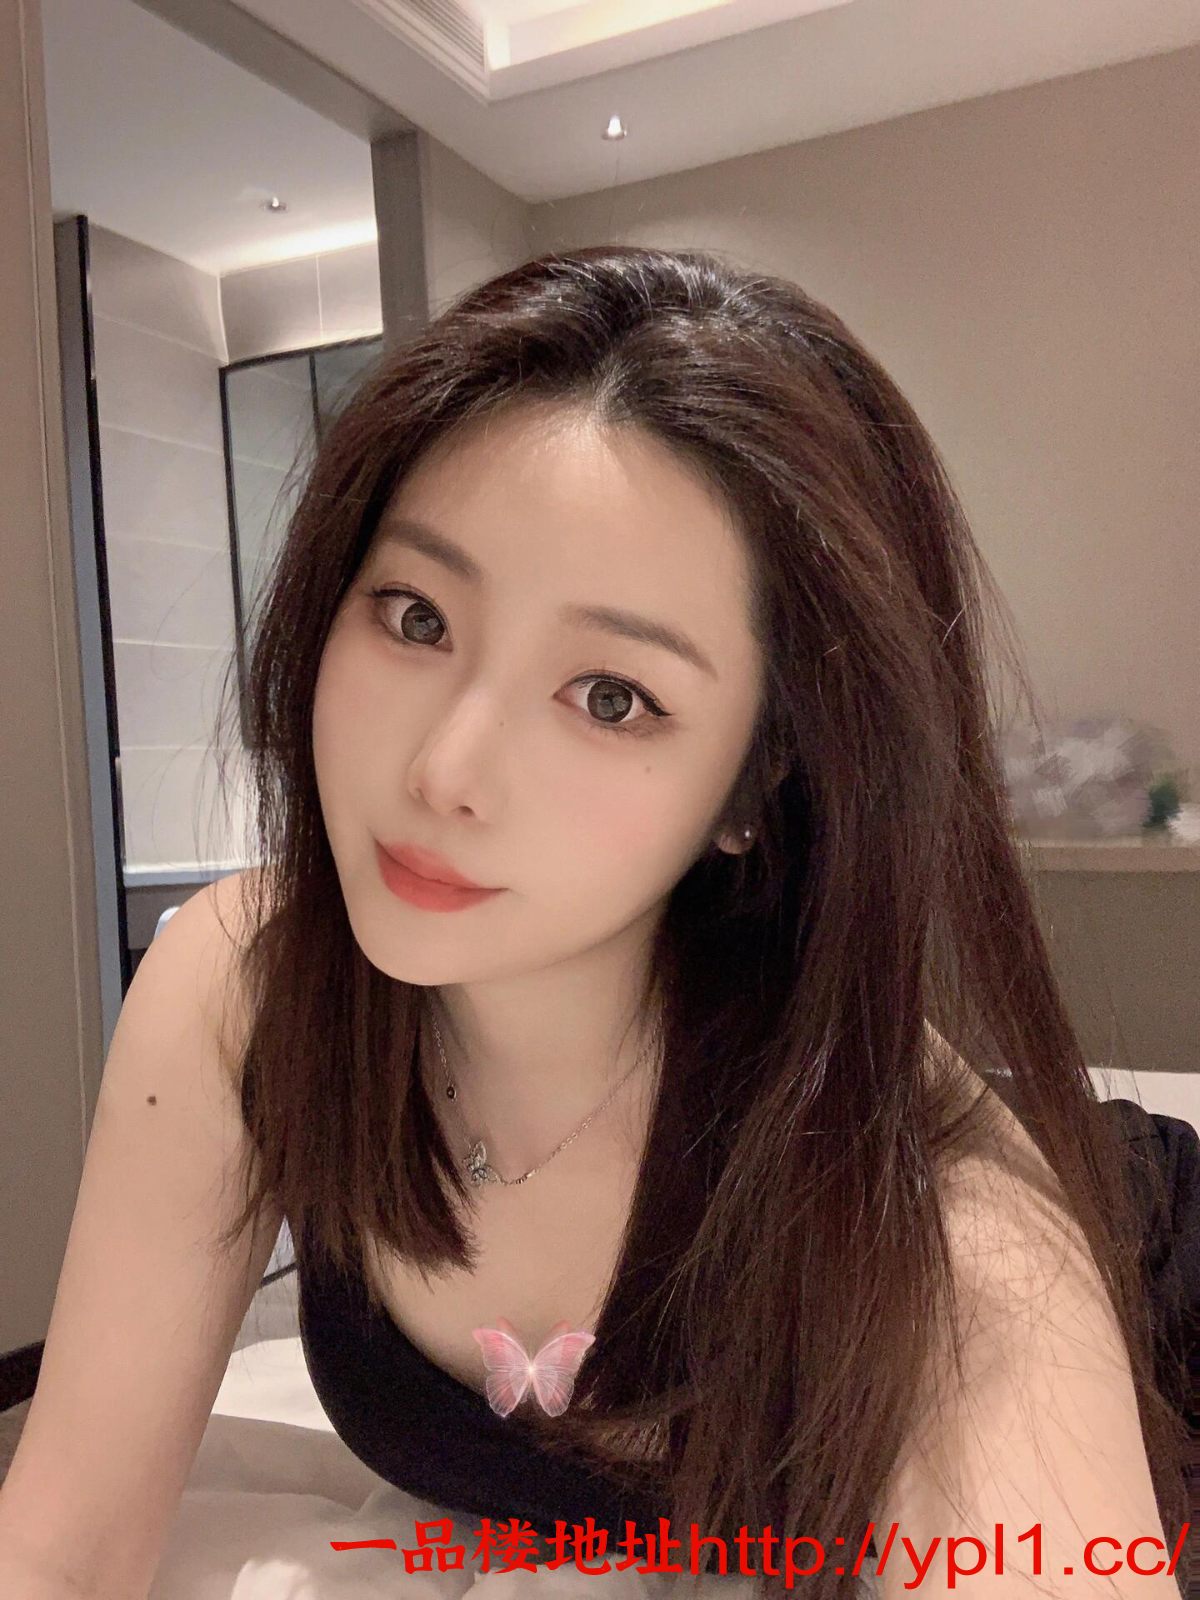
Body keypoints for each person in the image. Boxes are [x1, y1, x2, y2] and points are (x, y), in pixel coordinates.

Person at [0, 245, 1188, 1600]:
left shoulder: (933, 1210)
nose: (444, 770)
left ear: (753, 787)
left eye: (611, 696)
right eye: (416, 616)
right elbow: (64, 1540)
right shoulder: (247, 991)